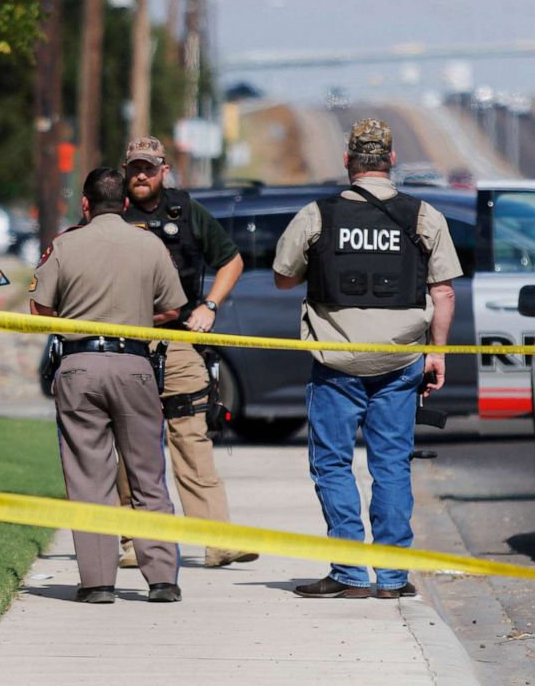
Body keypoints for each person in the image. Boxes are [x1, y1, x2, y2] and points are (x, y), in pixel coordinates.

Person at [273, 118, 461, 599]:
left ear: (348, 161)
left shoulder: (318, 215)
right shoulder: (423, 216)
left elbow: (283, 277)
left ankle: (349, 572)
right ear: (391, 161)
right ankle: (393, 578)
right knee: (392, 465)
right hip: (400, 363)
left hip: (335, 364)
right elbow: (443, 292)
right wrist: (436, 355)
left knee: (333, 465)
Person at [30, 167, 186, 604]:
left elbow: (39, 307)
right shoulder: (150, 245)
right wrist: (137, 319)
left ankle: (98, 583)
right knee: (147, 476)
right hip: (135, 365)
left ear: (85, 204)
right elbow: (174, 308)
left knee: (88, 478)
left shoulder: (64, 244)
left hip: (79, 365)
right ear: (125, 204)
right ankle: (162, 580)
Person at [118, 136, 256, 569]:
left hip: (179, 343)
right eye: (135, 168)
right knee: (130, 445)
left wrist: (209, 306)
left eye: (149, 167)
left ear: (164, 170)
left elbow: (231, 261)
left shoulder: (187, 211)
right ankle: (130, 542)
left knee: (191, 439)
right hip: (127, 344)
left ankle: (218, 541)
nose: (141, 175)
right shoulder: (112, 211)